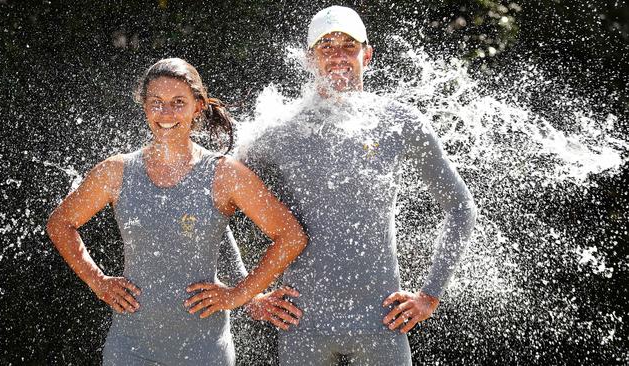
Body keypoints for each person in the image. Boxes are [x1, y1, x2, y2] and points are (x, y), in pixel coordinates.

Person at [239, 6, 477, 365]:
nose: (338, 56)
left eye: (348, 46)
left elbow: (461, 209)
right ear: (309, 58)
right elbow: (213, 200)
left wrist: (430, 295)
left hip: (380, 325)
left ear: (367, 54)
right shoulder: (278, 129)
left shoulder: (400, 121)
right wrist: (246, 294)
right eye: (326, 47)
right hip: (304, 326)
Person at [46, 58, 308, 366]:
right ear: (144, 106)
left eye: (178, 103)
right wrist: (98, 281)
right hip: (130, 350)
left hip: (204, 353)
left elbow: (290, 236)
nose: (166, 114)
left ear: (197, 106)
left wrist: (238, 295)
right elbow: (60, 223)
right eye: (157, 103)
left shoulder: (224, 175)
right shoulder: (116, 172)